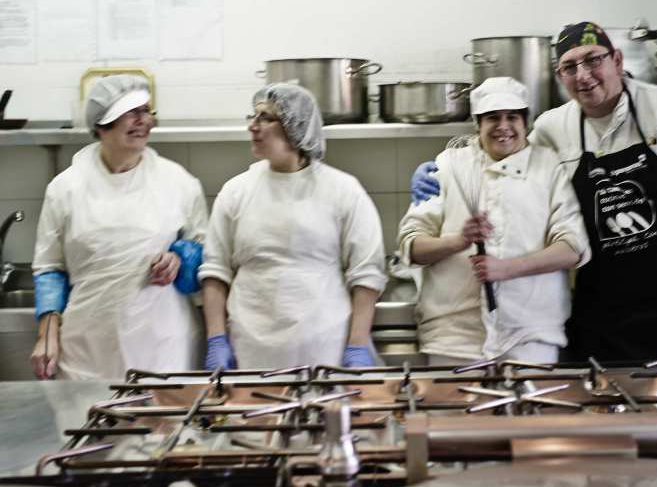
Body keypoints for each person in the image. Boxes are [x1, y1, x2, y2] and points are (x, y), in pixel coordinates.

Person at [411, 22, 657, 368]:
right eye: (570, 66)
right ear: (560, 76)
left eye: (593, 60)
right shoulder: (552, 128)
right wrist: (442, 166)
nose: (583, 75)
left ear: (617, 61)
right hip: (605, 319)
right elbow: (501, 148)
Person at [398, 77, 590, 365]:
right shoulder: (450, 164)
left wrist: (507, 268)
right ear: (477, 125)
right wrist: (457, 242)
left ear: (526, 123)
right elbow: (410, 245)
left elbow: (572, 247)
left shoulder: (548, 167)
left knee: (537, 410)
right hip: (454, 336)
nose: (503, 126)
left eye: (512, 116)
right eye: (492, 118)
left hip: (531, 334)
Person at [30, 75, 208, 380]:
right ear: (102, 125)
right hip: (87, 350)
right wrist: (47, 334)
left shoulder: (178, 182)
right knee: (88, 425)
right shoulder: (66, 189)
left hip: (163, 348)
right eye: (131, 113)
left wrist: (180, 258)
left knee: (163, 427)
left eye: (146, 111)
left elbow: (205, 255)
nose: (143, 122)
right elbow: (50, 268)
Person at [200, 83, 386, 371]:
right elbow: (215, 271)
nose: (253, 126)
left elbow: (367, 274)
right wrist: (216, 340)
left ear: (294, 127)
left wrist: (357, 345)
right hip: (250, 349)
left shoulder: (343, 190)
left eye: (266, 118)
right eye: (253, 116)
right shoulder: (236, 191)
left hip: (324, 347)